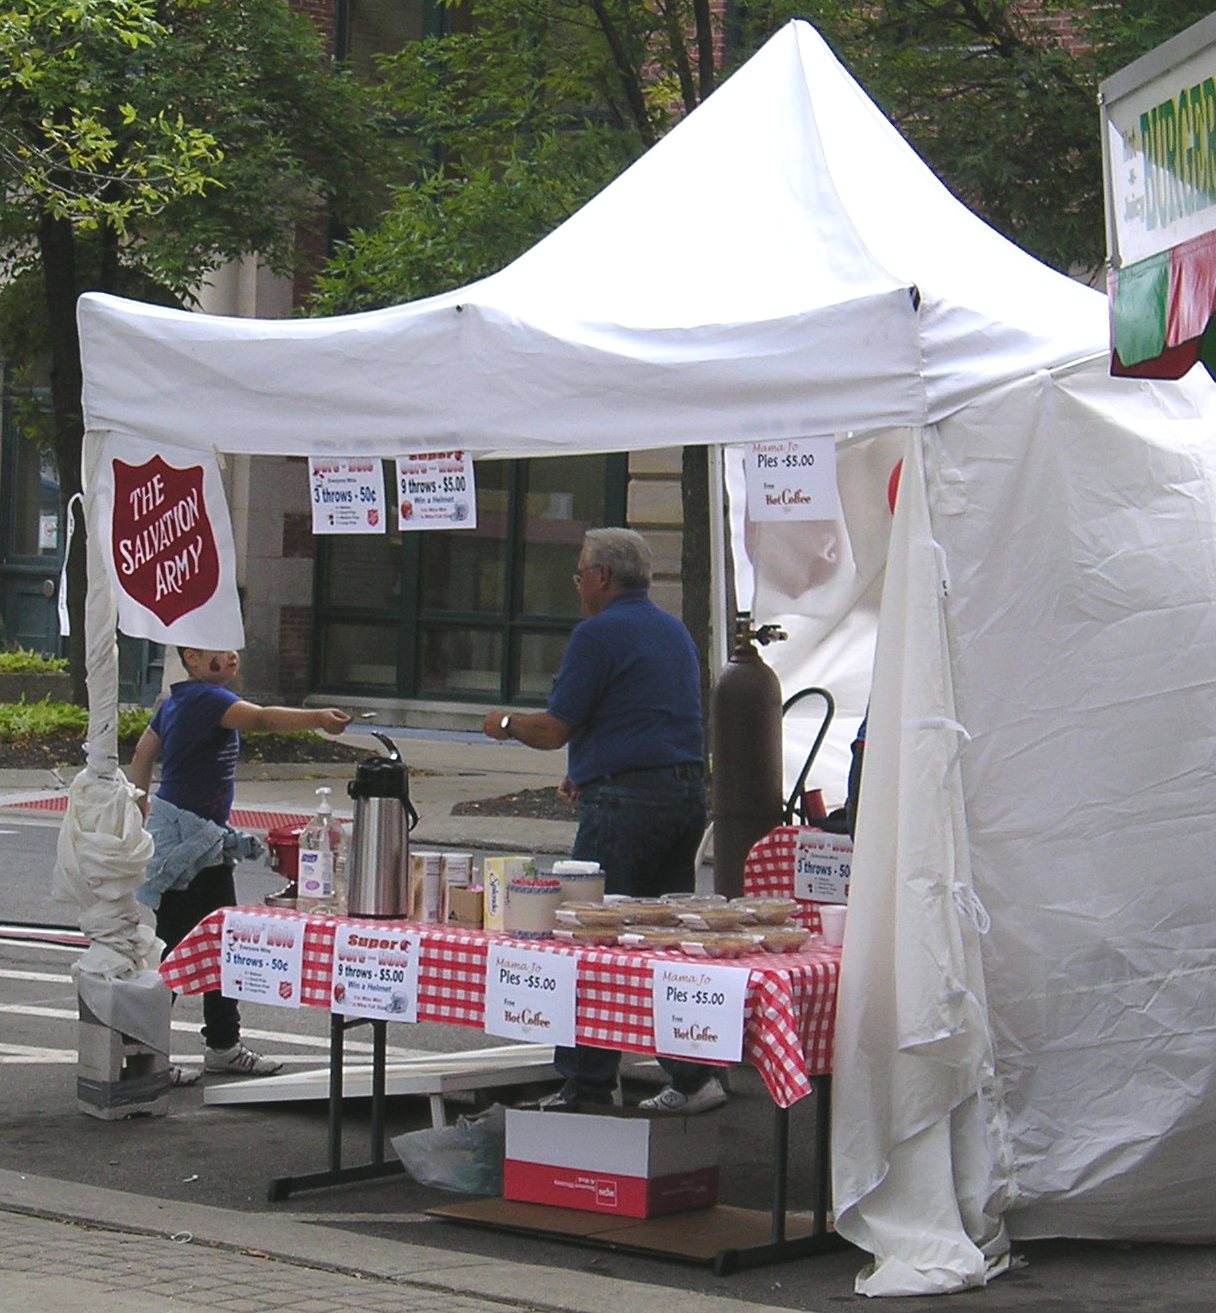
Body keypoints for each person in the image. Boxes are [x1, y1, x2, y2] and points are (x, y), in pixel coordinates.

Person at [483, 528, 725, 1114]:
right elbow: (645, 716)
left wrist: (507, 724)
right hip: (683, 794)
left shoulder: (596, 633)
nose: (576, 586)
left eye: (578, 575)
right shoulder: (672, 630)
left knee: (589, 940)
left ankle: (588, 1083)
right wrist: (588, 769)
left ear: (601, 577)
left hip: (624, 804)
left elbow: (555, 727)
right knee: (659, 941)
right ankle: (695, 1073)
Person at [129, 647, 350, 1085]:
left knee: (219, 945)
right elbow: (264, 718)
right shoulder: (204, 700)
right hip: (187, 846)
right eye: (220, 649)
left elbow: (141, 755)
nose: (232, 656)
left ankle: (222, 1044)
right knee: (174, 948)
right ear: (192, 657)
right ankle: (145, 1055)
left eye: (234, 648)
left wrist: (139, 812)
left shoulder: (175, 701)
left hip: (199, 841)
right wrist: (318, 717)